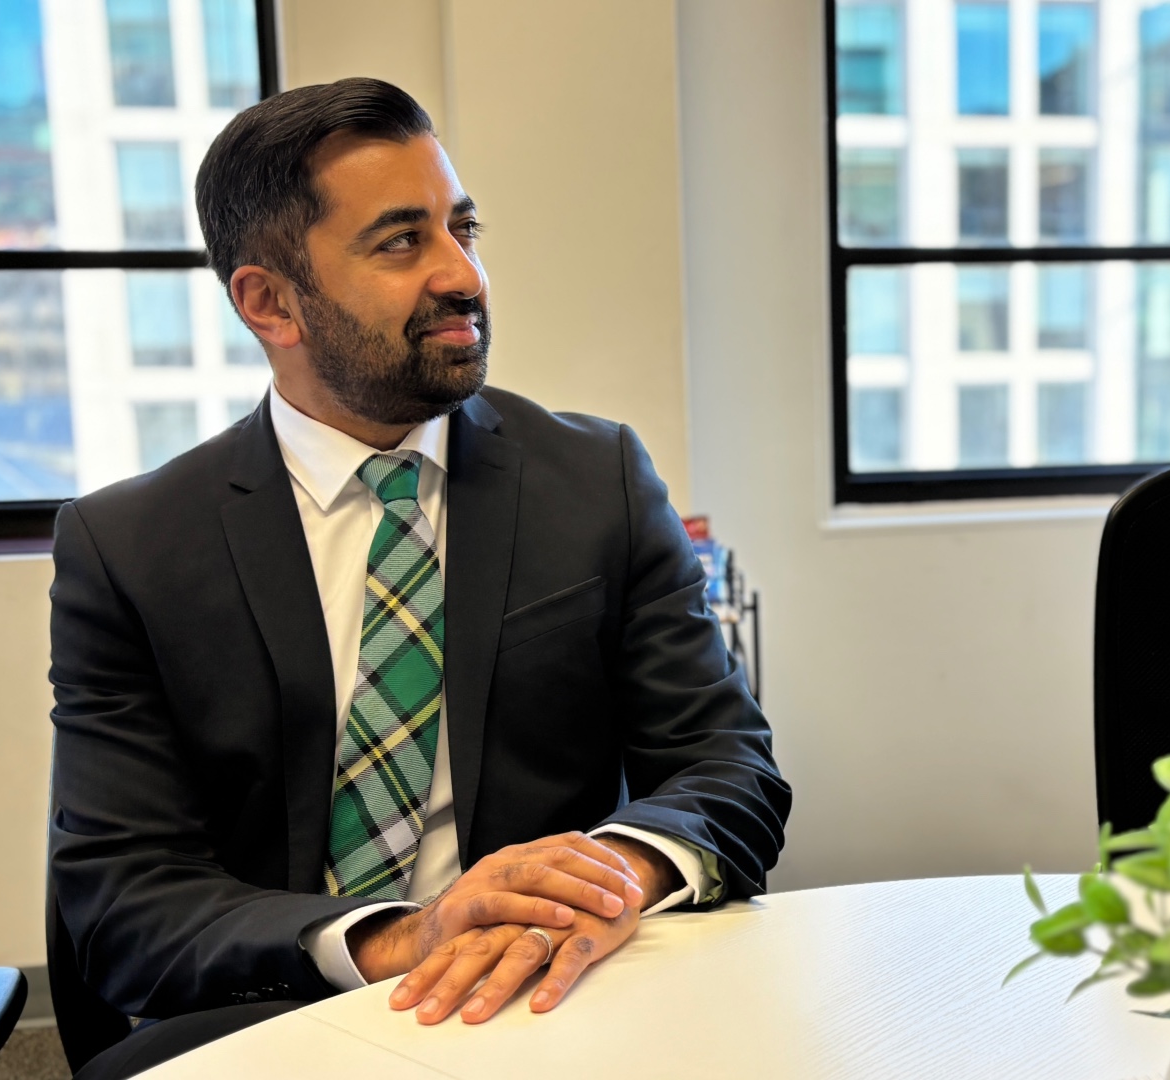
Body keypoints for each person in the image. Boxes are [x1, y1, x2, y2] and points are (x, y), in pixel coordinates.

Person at [47, 77, 789, 1079]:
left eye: (462, 228)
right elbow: (124, 904)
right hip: (283, 1016)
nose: (462, 275)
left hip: (552, 996)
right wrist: (408, 935)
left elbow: (730, 769)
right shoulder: (129, 546)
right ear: (269, 302)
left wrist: (608, 873)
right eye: (402, 241)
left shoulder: (596, 480)